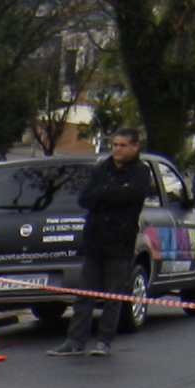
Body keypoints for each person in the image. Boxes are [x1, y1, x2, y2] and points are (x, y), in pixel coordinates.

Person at [63, 129, 150, 356]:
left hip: (120, 241)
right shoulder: (102, 168)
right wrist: (109, 192)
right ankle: (75, 339)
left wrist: (104, 194)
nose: (117, 149)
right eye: (115, 145)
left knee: (113, 294)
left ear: (134, 147)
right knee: (84, 293)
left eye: (122, 145)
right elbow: (85, 197)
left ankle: (104, 339)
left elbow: (130, 196)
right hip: (95, 239)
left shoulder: (141, 172)